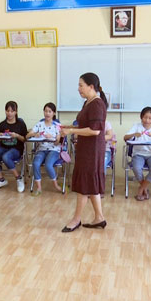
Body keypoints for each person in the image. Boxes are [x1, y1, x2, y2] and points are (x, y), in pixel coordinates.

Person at [60, 72, 108, 232]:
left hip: (92, 150)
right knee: (90, 183)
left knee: (84, 185)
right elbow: (85, 126)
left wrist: (72, 131)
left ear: (91, 86)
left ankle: (76, 219)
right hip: (86, 148)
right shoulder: (88, 102)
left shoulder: (96, 104)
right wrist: (69, 128)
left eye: (81, 85)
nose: (78, 88)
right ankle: (99, 217)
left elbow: (95, 131)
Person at [123, 107, 151, 201]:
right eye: (145, 117)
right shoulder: (136, 126)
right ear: (141, 117)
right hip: (138, 154)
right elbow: (125, 137)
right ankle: (145, 188)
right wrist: (134, 134)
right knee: (136, 168)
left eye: (149, 118)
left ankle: (141, 188)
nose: (147, 120)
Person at [0, 101, 27, 192]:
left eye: (12, 111)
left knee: (6, 157)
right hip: (3, 147)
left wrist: (17, 136)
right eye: (7, 111)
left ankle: (18, 178)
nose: (9, 113)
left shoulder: (20, 124)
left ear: (16, 112)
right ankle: (1, 180)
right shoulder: (2, 124)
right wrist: (0, 135)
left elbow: (25, 139)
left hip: (16, 148)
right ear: (5, 111)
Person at [26, 102, 63, 196]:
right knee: (35, 163)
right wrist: (35, 134)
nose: (47, 113)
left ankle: (56, 185)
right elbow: (27, 136)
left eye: (49, 111)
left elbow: (59, 141)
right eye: (45, 111)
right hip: (41, 150)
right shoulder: (39, 124)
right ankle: (39, 188)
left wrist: (53, 137)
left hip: (54, 149)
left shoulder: (57, 125)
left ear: (54, 113)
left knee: (48, 164)